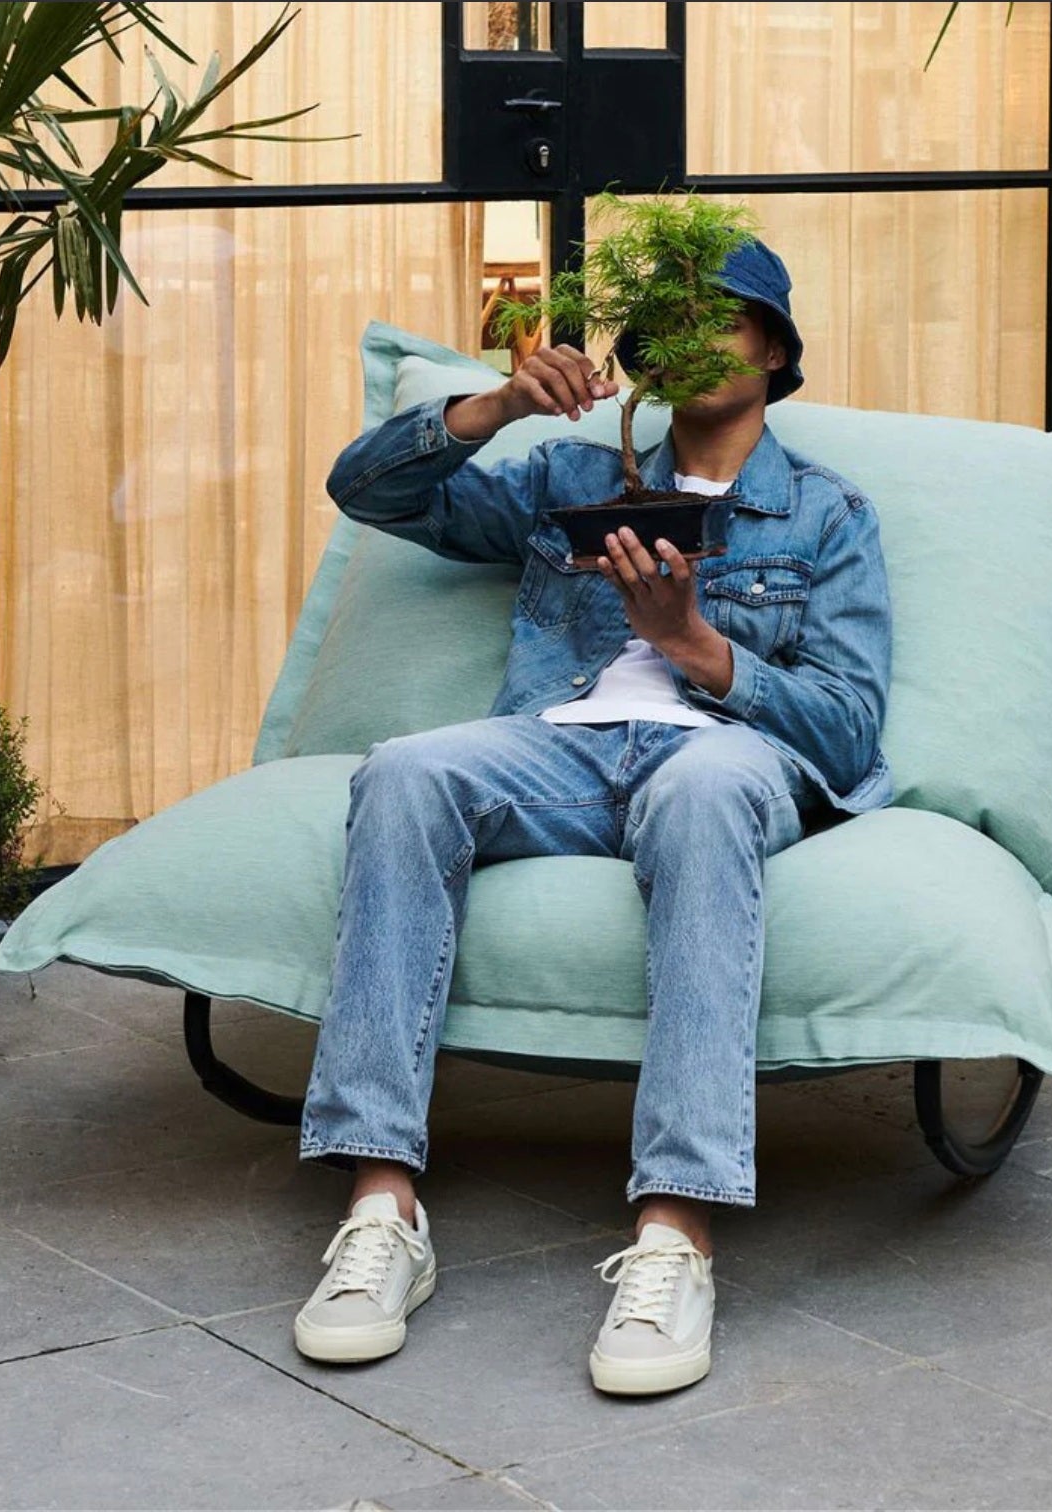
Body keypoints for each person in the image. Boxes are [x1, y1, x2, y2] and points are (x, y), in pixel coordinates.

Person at [292, 237, 894, 1397]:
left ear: (773, 350)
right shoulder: (568, 476)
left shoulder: (827, 515)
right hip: (558, 751)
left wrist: (696, 649)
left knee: (707, 787)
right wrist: (502, 402)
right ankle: (381, 1212)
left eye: (726, 318)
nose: (697, 337)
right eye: (669, 319)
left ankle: (675, 1235)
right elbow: (367, 491)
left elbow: (851, 729)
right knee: (408, 769)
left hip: (720, 757)